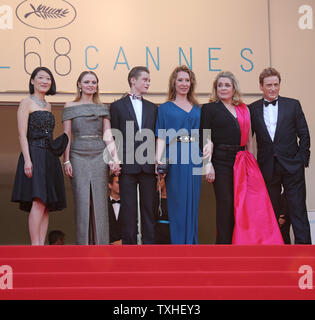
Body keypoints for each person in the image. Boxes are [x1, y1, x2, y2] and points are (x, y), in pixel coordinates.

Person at [200, 71, 283, 245]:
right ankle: (224, 249)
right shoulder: (209, 109)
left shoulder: (243, 109)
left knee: (244, 206)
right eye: (220, 85)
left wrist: (252, 164)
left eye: (227, 85)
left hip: (242, 161)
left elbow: (248, 142)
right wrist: (208, 165)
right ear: (216, 89)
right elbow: (205, 137)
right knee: (226, 206)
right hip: (220, 162)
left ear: (233, 88)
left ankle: (240, 246)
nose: (223, 88)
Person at [249, 67, 311, 244]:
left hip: (293, 166)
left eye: (276, 84)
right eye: (269, 85)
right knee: (270, 213)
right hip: (268, 167)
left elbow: (304, 134)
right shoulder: (252, 109)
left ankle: (305, 252)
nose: (273, 88)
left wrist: (302, 160)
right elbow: (245, 137)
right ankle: (274, 252)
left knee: (298, 210)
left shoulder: (293, 104)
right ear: (261, 86)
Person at [62, 71, 120, 245]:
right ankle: (83, 247)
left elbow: (108, 135)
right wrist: (66, 160)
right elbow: (67, 135)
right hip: (77, 154)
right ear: (79, 84)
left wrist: (114, 159)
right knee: (82, 201)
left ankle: (101, 247)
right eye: (86, 82)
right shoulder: (69, 105)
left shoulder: (102, 107)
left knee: (100, 202)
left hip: (98, 154)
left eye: (94, 82)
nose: (90, 85)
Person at [11, 67, 67, 245]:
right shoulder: (25, 102)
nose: (45, 81)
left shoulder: (48, 105)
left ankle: (42, 246)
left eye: (48, 78)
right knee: (38, 201)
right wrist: (28, 160)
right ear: (32, 81)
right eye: (40, 77)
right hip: (34, 154)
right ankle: (35, 246)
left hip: (49, 157)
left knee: (46, 206)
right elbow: (22, 134)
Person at [110, 66, 157, 244]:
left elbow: (155, 137)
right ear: (133, 80)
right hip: (126, 165)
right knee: (128, 210)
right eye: (145, 79)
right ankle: (129, 253)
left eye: (148, 80)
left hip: (148, 165)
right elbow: (113, 136)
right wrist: (113, 161)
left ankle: (149, 250)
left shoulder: (153, 108)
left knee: (149, 209)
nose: (148, 83)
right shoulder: (116, 106)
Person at [155, 65, 202, 244]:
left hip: (195, 157)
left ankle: (192, 245)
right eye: (180, 80)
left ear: (192, 84)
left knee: (193, 204)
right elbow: (161, 136)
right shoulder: (165, 108)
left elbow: (205, 136)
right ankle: (178, 246)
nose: (184, 83)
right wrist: (157, 159)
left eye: (187, 80)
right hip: (174, 155)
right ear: (173, 83)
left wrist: (208, 160)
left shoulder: (199, 108)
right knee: (177, 203)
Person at [154, 177, 170, 244]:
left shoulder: (174, 200)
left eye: (160, 180)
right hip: (158, 234)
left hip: (171, 233)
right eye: (157, 180)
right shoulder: (154, 199)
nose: (159, 182)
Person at [108, 172, 122, 245]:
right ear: (110, 185)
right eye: (118, 182)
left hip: (124, 247)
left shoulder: (128, 205)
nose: (121, 185)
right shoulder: (103, 205)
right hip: (106, 247)